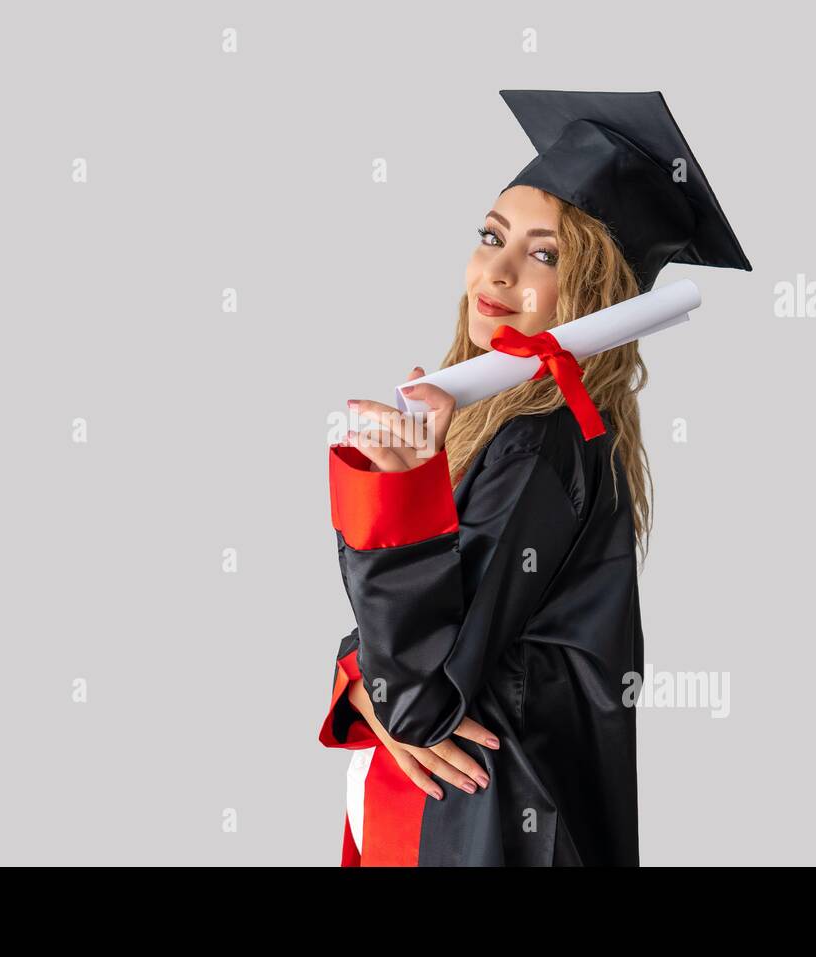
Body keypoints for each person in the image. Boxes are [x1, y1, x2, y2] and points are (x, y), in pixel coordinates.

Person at [318, 90, 752, 866]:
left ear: (593, 295)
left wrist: (390, 501)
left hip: (481, 826)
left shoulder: (537, 445)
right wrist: (361, 680)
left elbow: (421, 698)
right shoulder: (497, 421)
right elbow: (407, 650)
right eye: (492, 236)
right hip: (440, 819)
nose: (500, 270)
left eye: (545, 254)